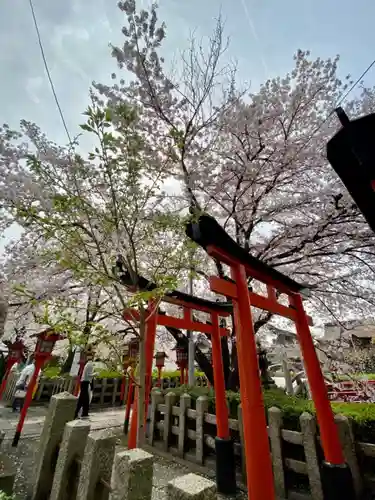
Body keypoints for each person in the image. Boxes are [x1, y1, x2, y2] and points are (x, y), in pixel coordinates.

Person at [74, 350, 94, 419]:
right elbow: (88, 375)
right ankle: (82, 413)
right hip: (85, 382)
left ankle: (80, 412)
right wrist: (95, 374)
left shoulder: (87, 364)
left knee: (83, 399)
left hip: (84, 382)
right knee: (84, 398)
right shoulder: (89, 364)